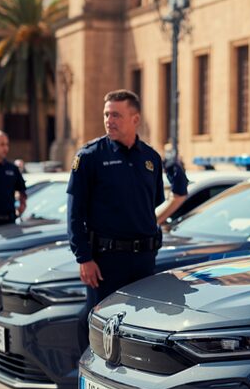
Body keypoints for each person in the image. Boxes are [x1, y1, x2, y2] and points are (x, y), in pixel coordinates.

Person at [67, 90, 188, 317]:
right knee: (100, 325)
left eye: (116, 115)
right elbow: (75, 213)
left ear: (135, 119)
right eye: (106, 115)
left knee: (140, 325)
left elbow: (149, 212)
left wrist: (179, 192)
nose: (108, 121)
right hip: (106, 263)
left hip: (143, 260)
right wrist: (84, 258)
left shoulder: (150, 158)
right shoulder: (90, 157)